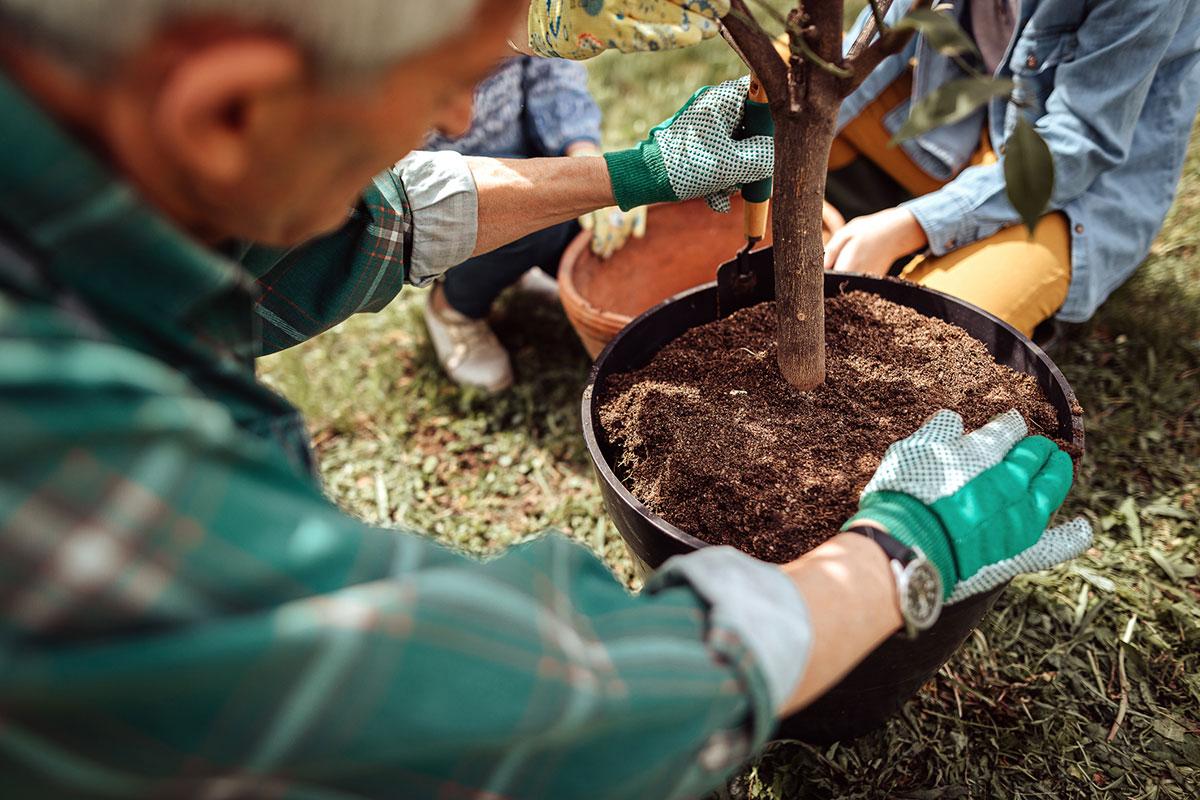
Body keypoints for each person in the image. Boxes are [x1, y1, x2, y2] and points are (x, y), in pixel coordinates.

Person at [0, 1, 1091, 797]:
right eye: (449, 77)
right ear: (230, 104)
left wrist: (633, 170)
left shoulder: (76, 166)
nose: (468, 110)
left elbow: (327, 224)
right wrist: (891, 555)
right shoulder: (52, 460)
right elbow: (517, 718)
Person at [822, 0, 1200, 340]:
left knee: (927, 335)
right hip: (961, 128)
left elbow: (1076, 148)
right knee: (780, 90)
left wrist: (910, 226)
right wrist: (791, 164)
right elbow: (883, 36)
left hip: (1071, 191)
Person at [423, 55, 646, 392]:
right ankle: (452, 308)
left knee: (592, 244)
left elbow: (551, 66)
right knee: (540, 222)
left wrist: (581, 153)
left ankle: (519, 264)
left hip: (531, 156)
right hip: (443, 189)